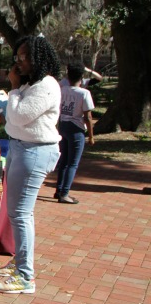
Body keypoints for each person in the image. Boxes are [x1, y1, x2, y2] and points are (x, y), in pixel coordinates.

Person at [0, 35, 61, 294]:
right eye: (18, 57)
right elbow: (15, 119)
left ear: (39, 58)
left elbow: (20, 116)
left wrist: (12, 88)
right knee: (20, 212)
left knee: (20, 214)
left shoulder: (46, 85)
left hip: (35, 152)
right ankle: (20, 262)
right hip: (21, 147)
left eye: (25, 58)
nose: (19, 63)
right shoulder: (30, 84)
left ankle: (25, 276)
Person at [55, 62, 95, 204]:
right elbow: (88, 116)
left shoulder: (63, 90)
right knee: (73, 163)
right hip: (76, 128)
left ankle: (58, 189)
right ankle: (65, 193)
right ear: (82, 76)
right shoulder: (84, 93)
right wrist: (91, 136)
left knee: (64, 161)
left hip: (63, 125)